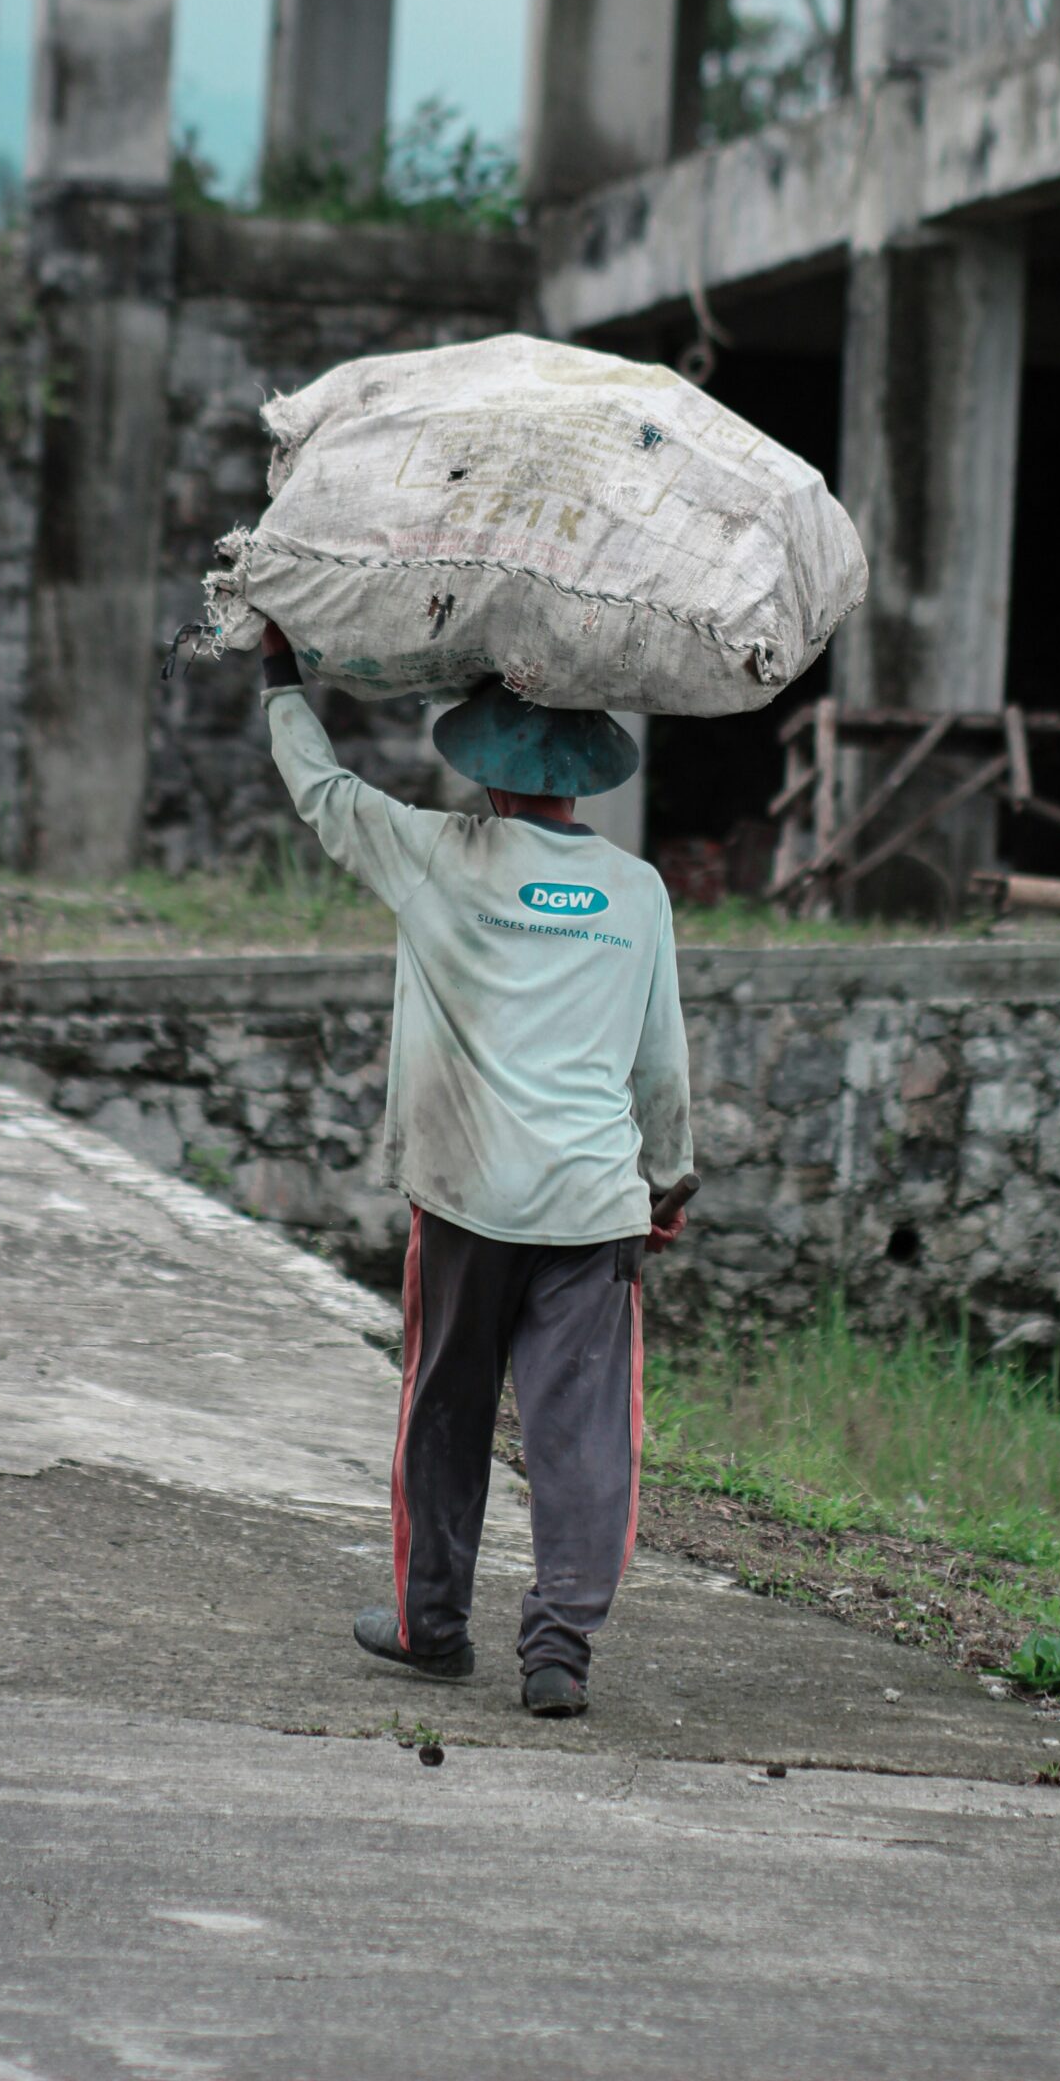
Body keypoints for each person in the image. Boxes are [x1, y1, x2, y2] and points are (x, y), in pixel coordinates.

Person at [258, 620, 693, 1718]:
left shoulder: (433, 857)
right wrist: (669, 1184)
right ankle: (557, 1655)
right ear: (582, 773)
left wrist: (279, 676)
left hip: (464, 1199)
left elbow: (321, 787)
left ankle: (431, 1625)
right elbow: (660, 1063)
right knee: (584, 1434)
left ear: (487, 775)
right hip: (596, 1207)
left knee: (445, 1409)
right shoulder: (636, 892)